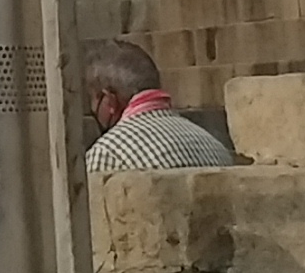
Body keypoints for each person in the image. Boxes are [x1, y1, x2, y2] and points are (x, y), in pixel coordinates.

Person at [81, 37, 237, 172]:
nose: (94, 109)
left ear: (110, 100)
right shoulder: (215, 147)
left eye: (94, 100)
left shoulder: (108, 154)